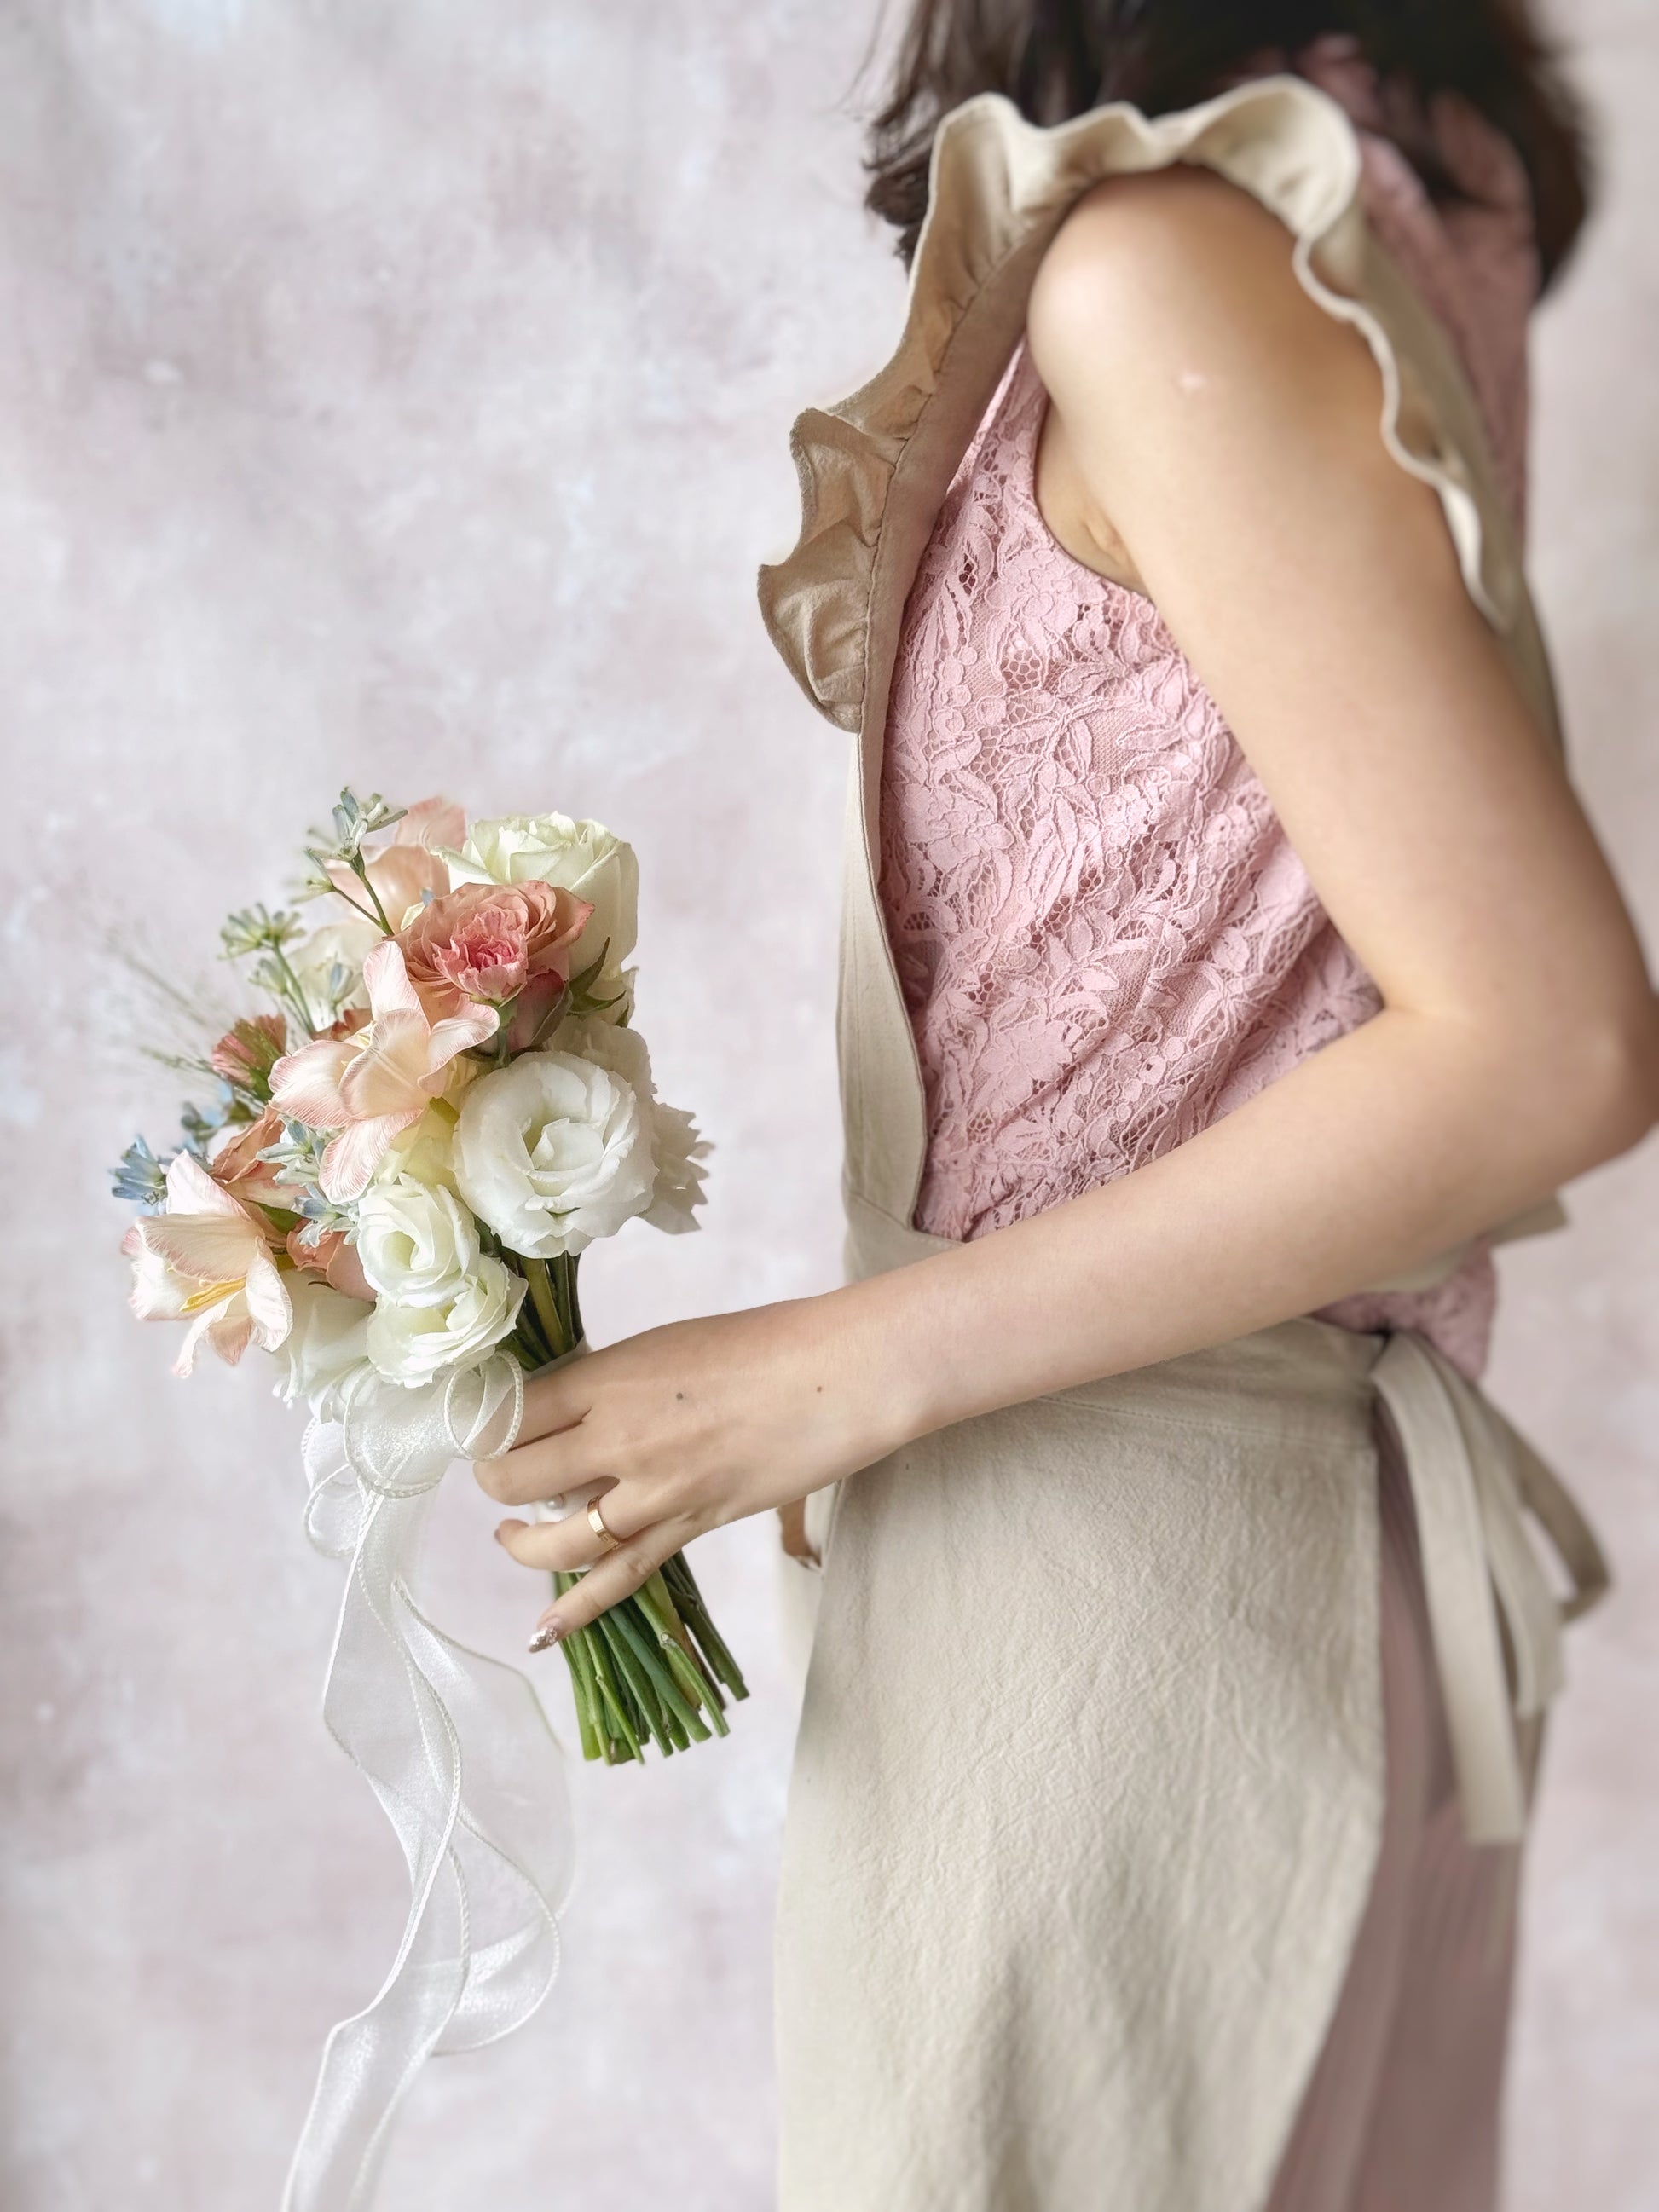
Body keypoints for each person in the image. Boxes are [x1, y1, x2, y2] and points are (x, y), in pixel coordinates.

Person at [481, 5, 1657, 2206]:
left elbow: (1547, 1040)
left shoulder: (1179, 265)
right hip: (1307, 1566)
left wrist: (829, 1371)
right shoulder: (1422, 183)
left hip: (1118, 1583)